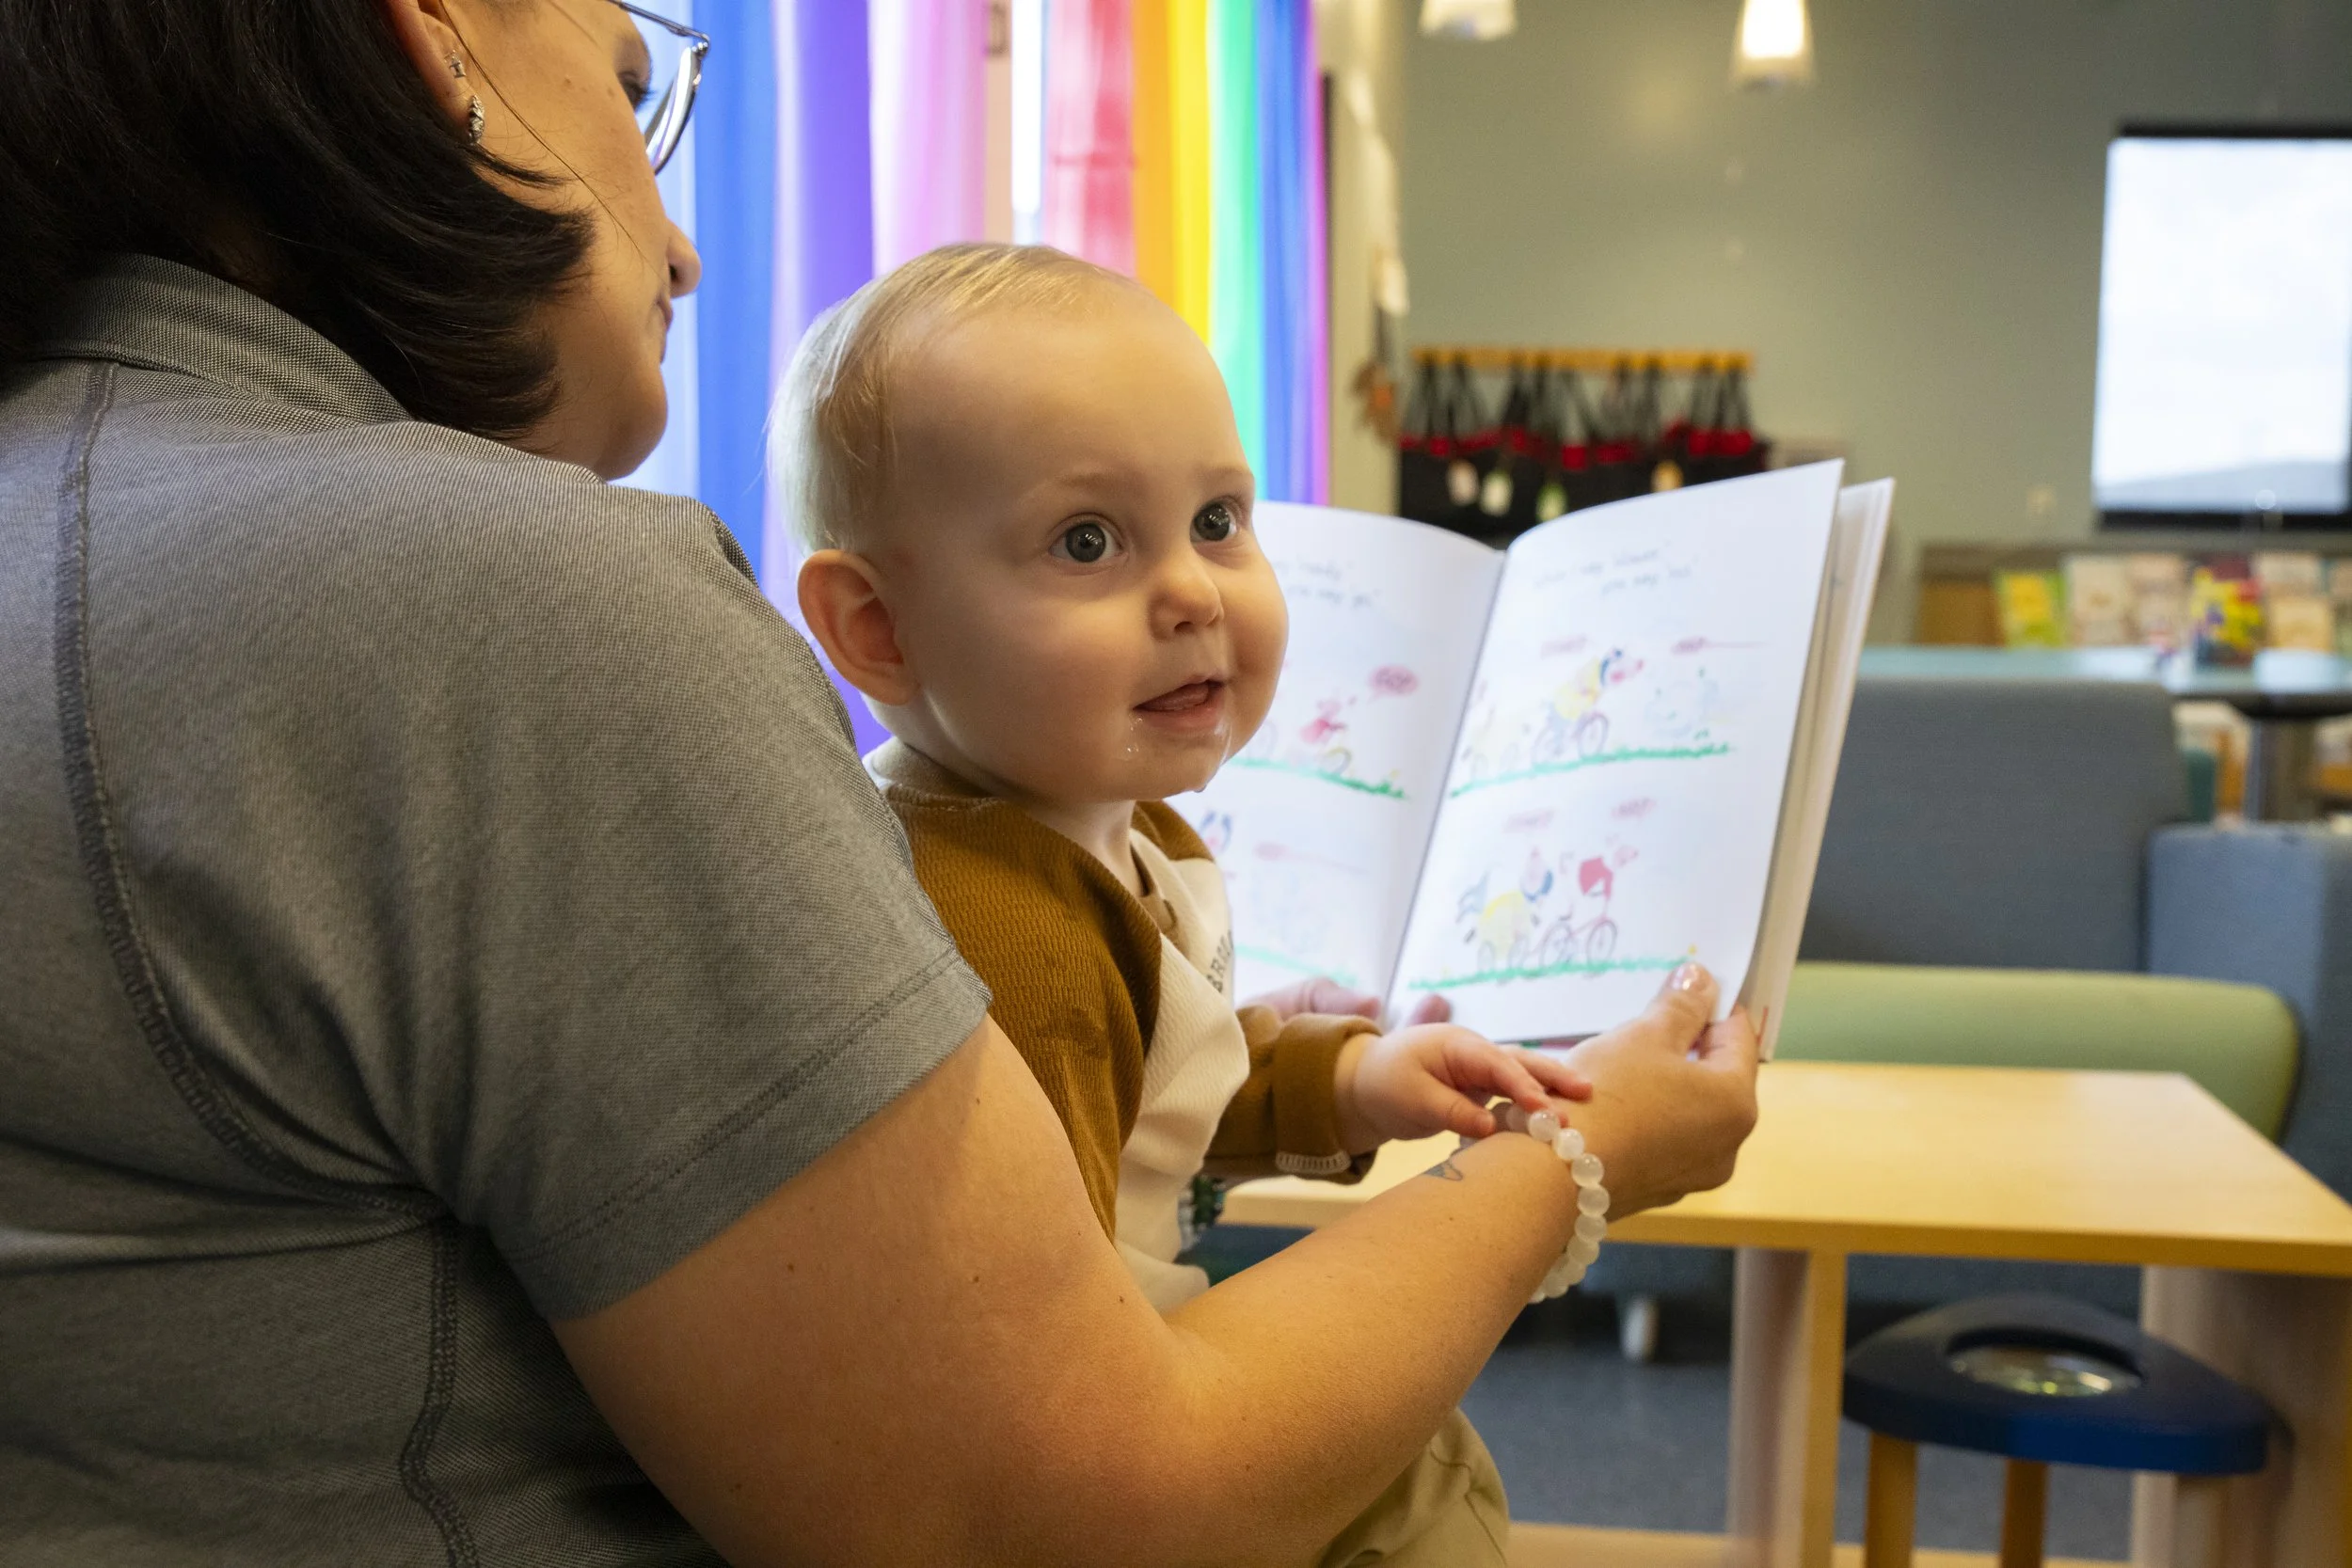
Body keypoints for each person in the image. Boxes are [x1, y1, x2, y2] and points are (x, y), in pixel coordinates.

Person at [0, 3, 1762, 1565]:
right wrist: (1574, 1160)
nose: (682, 251)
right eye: (636, 85)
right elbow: (1068, 1496)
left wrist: (1334, 1073)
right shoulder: (515, 607)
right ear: (432, 40)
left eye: (1222, 520)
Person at [788, 243, 1604, 1563]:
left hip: (1136, 1388)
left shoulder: (1093, 821)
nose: (1190, 591)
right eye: (1087, 540)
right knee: (1420, 1478)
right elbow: (1020, 1386)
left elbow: (1168, 1077)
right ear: (878, 627)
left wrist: (1350, 1076)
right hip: (1109, 1454)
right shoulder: (1001, 924)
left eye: (1219, 520)